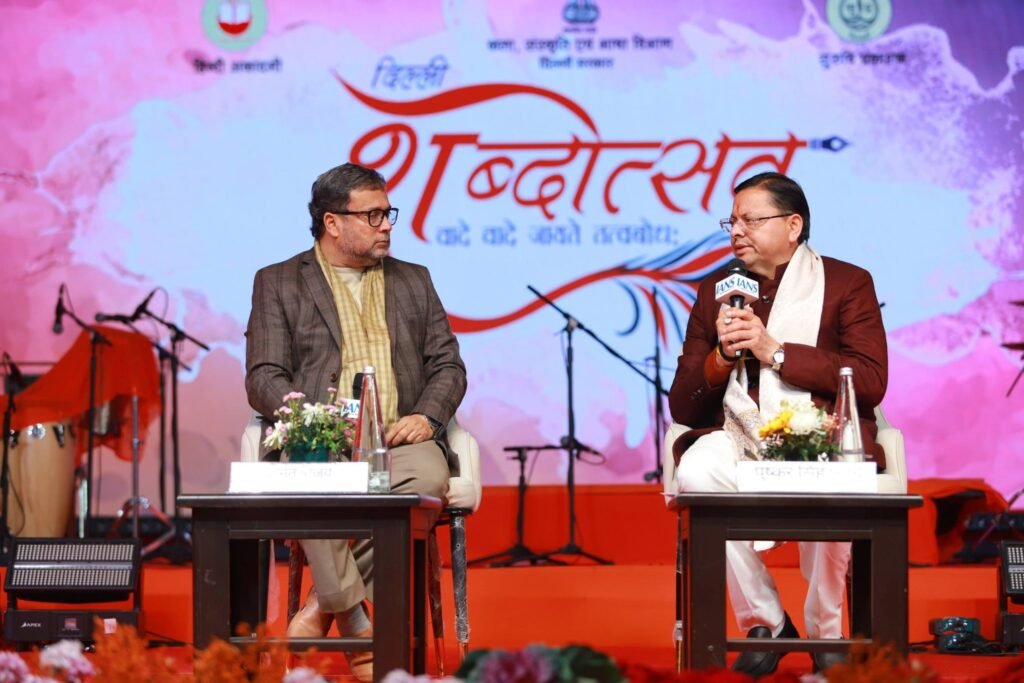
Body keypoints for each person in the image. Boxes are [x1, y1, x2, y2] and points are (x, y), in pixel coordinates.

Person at [245, 162, 467, 682]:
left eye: (388, 213)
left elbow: (448, 366)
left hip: (398, 439)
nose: (387, 224)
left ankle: (323, 606)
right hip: (320, 441)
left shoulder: (414, 280)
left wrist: (426, 415)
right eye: (373, 215)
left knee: (424, 482)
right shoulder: (278, 281)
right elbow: (263, 377)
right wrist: (315, 421)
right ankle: (357, 623)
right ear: (332, 222)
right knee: (316, 484)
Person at [668, 171, 887, 677]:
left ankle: (825, 630)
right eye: (731, 222)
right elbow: (684, 405)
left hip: (822, 430)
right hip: (739, 433)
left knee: (838, 477)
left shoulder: (848, 283)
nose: (736, 232)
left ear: (793, 225)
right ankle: (765, 623)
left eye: (750, 220)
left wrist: (777, 352)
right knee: (697, 472)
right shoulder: (716, 291)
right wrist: (723, 356)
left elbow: (871, 380)